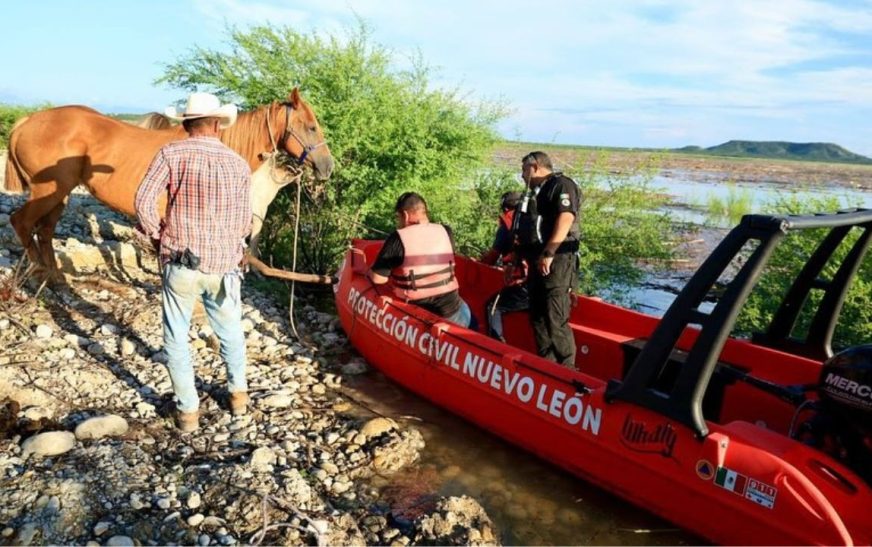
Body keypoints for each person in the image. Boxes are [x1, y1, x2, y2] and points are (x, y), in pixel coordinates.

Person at [134, 92, 252, 432]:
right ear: (217, 124)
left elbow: (143, 200)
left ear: (186, 123)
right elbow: (246, 220)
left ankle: (188, 413)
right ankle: (238, 397)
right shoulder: (238, 163)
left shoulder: (171, 153)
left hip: (181, 260)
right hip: (225, 265)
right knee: (230, 330)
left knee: (176, 334)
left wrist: (157, 236)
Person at [515, 151, 581, 369]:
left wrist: (550, 251)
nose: (522, 175)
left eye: (524, 169)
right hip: (538, 260)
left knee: (555, 317)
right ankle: (548, 365)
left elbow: (566, 218)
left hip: (558, 261)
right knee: (538, 315)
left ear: (535, 166)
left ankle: (567, 370)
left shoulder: (562, 185)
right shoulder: (537, 192)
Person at [369, 192, 474, 328]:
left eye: (398, 217)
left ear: (405, 215)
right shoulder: (446, 231)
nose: (399, 222)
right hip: (455, 314)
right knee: (469, 314)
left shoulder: (397, 238)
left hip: (421, 318)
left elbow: (378, 279)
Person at [480, 191, 529, 342]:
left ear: (505, 208)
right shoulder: (531, 222)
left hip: (523, 285)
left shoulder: (507, 226)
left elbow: (492, 258)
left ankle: (496, 344)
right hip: (540, 282)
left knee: (492, 307)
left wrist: (479, 261)